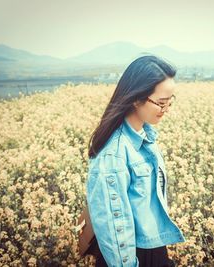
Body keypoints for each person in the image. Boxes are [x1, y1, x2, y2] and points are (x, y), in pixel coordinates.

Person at [86, 55, 186, 267]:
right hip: (132, 254)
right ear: (136, 98)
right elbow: (115, 226)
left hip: (152, 246)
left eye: (170, 101)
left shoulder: (145, 135)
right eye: (161, 103)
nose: (166, 108)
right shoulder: (114, 155)